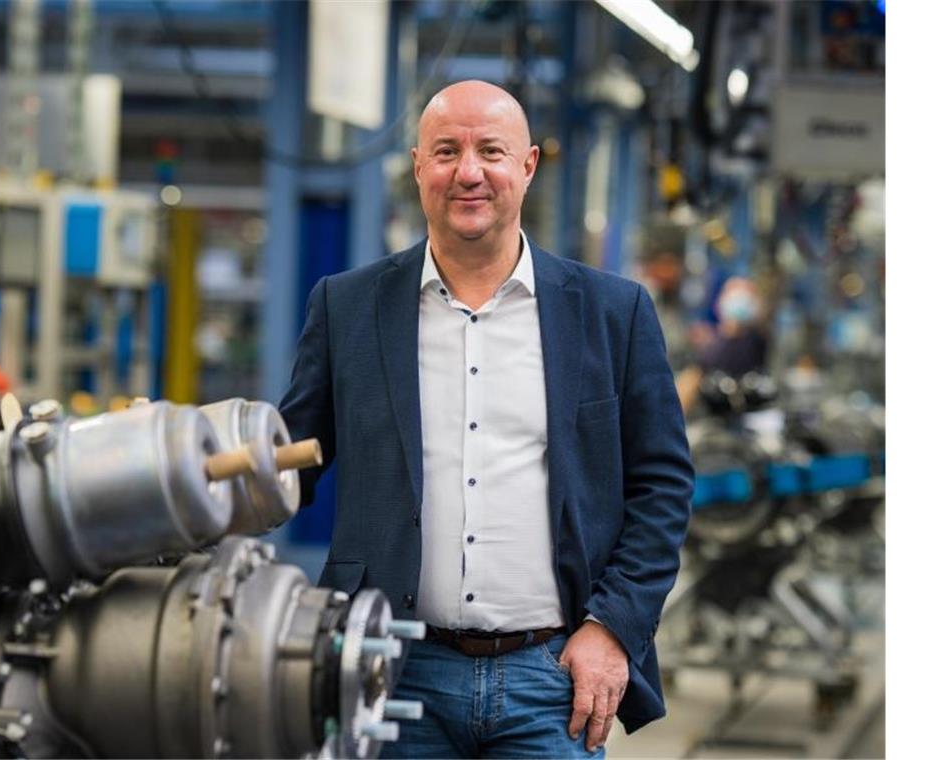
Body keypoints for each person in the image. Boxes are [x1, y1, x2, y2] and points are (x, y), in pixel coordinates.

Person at [279, 80, 693, 758]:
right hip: (392, 671)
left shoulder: (612, 314)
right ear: (417, 167)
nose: (468, 171)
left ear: (527, 166)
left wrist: (613, 629)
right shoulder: (347, 308)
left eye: (490, 151)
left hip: (551, 680)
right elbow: (291, 462)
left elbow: (663, 486)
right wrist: (185, 482)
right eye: (446, 151)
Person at [675, 276, 768, 415]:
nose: (740, 300)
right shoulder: (710, 348)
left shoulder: (762, 343)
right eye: (734, 294)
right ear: (720, 302)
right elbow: (686, 387)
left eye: (746, 296)